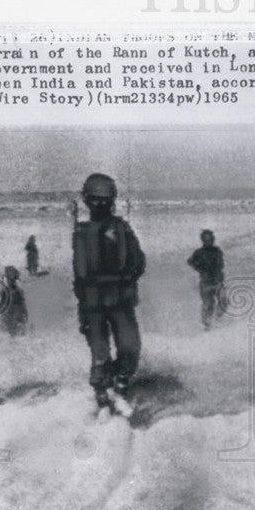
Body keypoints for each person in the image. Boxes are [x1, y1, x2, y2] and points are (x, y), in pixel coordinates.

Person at [72, 173, 146, 414]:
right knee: (100, 354)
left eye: (105, 200)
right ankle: (102, 395)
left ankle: (121, 384)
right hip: (93, 304)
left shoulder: (121, 228)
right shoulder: (82, 233)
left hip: (120, 300)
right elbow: (80, 276)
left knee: (130, 347)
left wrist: (127, 277)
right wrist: (83, 312)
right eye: (96, 200)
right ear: (87, 202)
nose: (101, 205)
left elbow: (138, 261)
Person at [186, 229, 225, 329]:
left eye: (210, 239)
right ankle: (207, 324)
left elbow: (221, 264)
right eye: (206, 239)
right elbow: (190, 262)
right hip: (206, 282)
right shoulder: (199, 252)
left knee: (223, 302)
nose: (208, 241)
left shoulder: (217, 251)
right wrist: (201, 269)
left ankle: (218, 320)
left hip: (217, 281)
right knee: (208, 304)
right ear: (203, 240)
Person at [0, 265, 28, 336]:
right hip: (12, 316)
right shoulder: (6, 291)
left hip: (15, 316)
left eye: (10, 279)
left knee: (15, 333)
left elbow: (22, 305)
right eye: (9, 278)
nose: (9, 281)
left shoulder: (17, 291)